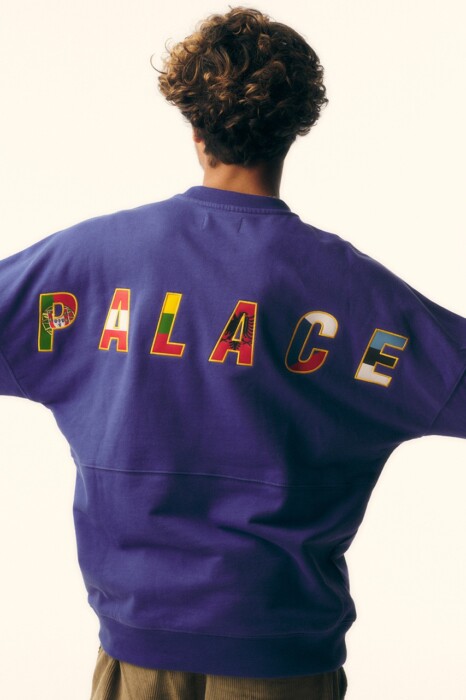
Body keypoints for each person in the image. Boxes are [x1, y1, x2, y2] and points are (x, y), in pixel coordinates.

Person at [0, 5, 464, 700]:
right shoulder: (356, 293)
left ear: (195, 127)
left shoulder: (90, 261)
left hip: (138, 654)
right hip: (283, 657)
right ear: (295, 129)